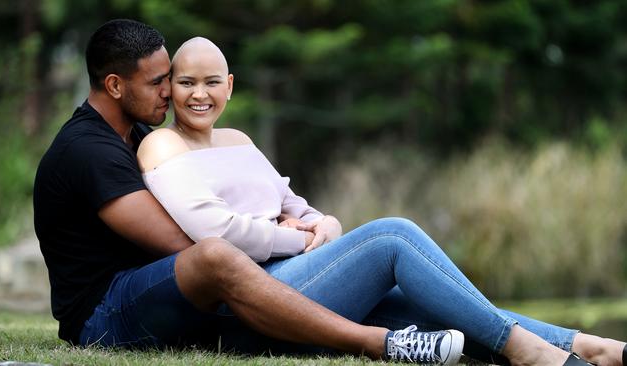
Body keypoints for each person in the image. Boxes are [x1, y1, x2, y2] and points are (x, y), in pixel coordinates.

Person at [135, 36, 627, 366]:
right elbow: (218, 233)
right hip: (259, 292)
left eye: (212, 82)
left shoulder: (239, 139)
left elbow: (294, 202)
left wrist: (323, 224)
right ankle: (525, 351)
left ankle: (591, 347)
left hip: (303, 272)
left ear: (230, 86)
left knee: (436, 303)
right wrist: (297, 235)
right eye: (186, 82)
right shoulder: (161, 145)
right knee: (392, 234)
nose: (200, 95)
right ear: (170, 87)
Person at [33, 18, 474, 366]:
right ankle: (380, 345)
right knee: (213, 253)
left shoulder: (138, 134)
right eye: (156, 82)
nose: (170, 91)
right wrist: (291, 237)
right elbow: (180, 242)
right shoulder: (87, 150)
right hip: (104, 315)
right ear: (114, 85)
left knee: (405, 301)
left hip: (167, 297)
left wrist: (301, 224)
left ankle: (536, 342)